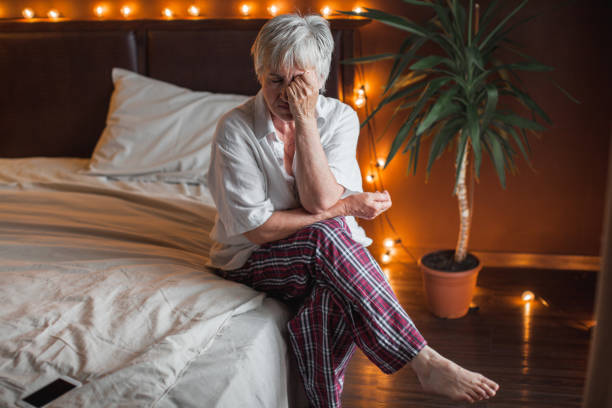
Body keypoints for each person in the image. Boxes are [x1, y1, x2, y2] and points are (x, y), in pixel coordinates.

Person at [207, 13, 499, 408]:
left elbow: (318, 200)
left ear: (320, 78)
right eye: (275, 80)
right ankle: (422, 359)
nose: (286, 94)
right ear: (259, 74)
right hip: (252, 259)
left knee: (328, 298)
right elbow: (260, 229)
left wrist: (306, 120)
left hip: (323, 253)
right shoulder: (234, 129)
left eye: (299, 82)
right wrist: (346, 206)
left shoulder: (340, 118)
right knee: (327, 237)